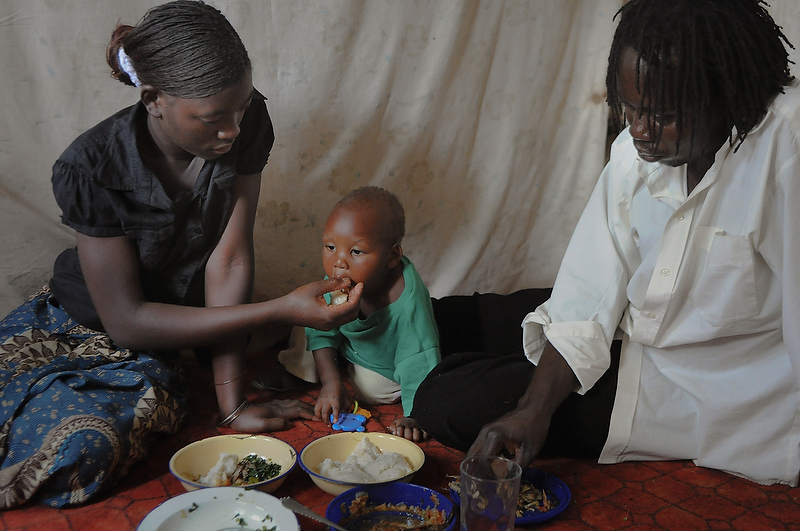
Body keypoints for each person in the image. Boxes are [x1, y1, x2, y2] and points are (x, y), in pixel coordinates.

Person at [413, 0, 800, 486]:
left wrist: (534, 411)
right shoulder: (636, 151)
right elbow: (589, 286)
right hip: (634, 324)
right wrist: (535, 407)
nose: (638, 130)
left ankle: (466, 371)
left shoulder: (788, 147)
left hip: (695, 388)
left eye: (662, 114)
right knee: (441, 317)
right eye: (630, 107)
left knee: (444, 400)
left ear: (728, 95)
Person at [0, 0, 361, 509]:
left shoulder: (245, 125)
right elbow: (125, 322)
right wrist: (281, 307)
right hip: (79, 316)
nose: (232, 130)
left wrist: (232, 408)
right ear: (153, 99)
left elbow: (230, 260)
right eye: (214, 118)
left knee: (84, 447)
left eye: (240, 109)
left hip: (169, 331)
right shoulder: (90, 166)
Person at [301, 186, 440, 442]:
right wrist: (330, 382)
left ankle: (327, 370)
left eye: (356, 251)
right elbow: (321, 329)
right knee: (303, 317)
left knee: (372, 390)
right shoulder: (339, 277)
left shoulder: (407, 301)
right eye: (330, 246)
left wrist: (415, 415)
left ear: (392, 256)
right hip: (348, 345)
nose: (339, 262)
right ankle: (319, 372)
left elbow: (417, 360)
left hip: (381, 361)